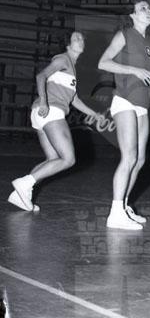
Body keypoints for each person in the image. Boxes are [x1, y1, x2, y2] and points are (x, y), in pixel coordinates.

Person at [9, 32, 104, 212]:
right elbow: (41, 76)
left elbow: (74, 99)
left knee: (53, 159)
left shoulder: (72, 68)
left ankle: (20, 194)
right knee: (68, 159)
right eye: (76, 38)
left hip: (41, 114)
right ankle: (24, 183)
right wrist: (44, 101)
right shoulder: (63, 59)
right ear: (68, 45)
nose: (81, 40)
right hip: (50, 110)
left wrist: (95, 114)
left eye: (82, 38)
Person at [98, 0, 150, 230]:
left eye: (149, 8)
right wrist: (135, 70)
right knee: (129, 157)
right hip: (124, 100)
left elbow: (144, 71)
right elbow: (103, 62)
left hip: (142, 104)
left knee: (140, 159)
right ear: (133, 15)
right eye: (143, 8)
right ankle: (115, 213)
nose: (149, 11)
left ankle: (124, 206)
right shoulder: (124, 34)